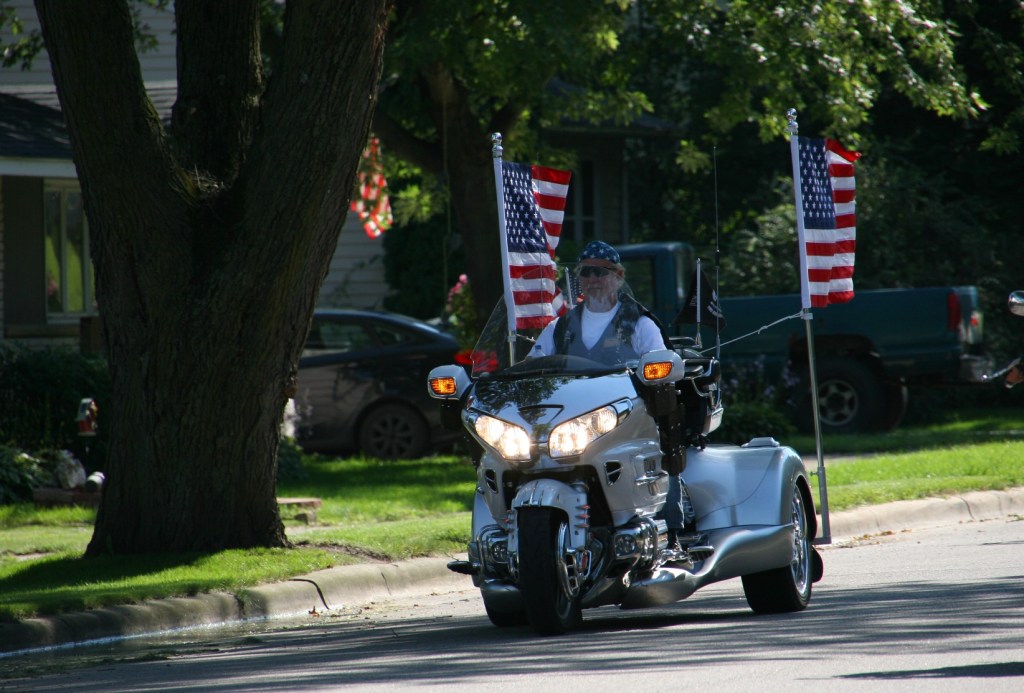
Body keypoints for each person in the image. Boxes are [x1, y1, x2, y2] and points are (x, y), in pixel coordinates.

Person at [531, 240, 706, 559]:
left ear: (619, 276)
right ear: (578, 279)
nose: (593, 279)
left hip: (631, 418)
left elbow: (662, 369)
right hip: (574, 421)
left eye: (602, 272)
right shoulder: (560, 328)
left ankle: (672, 532)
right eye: (586, 272)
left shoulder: (639, 322)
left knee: (662, 448)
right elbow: (535, 365)